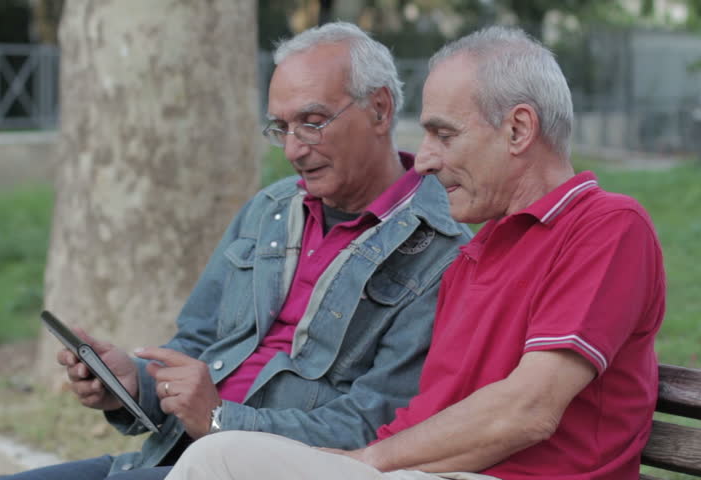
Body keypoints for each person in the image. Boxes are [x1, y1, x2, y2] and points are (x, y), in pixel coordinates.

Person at [164, 25, 667, 480]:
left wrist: (366, 464)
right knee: (217, 457)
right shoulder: (480, 252)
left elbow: (528, 412)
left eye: (444, 134)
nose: (423, 160)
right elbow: (428, 412)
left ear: (517, 130)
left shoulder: (606, 226)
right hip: (421, 470)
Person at [0, 22, 471, 480]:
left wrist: (223, 419)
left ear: (380, 109)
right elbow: (196, 346)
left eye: (311, 123)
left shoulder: (441, 253)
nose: (292, 150)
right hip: (164, 458)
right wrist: (133, 384)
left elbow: (374, 426)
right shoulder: (271, 209)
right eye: (280, 128)